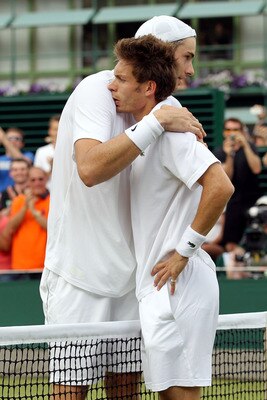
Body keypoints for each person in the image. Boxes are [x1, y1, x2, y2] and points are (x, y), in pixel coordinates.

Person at [39, 16, 206, 400]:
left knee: (125, 391)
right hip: (78, 273)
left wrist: (186, 251)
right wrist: (158, 122)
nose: (191, 69)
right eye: (186, 56)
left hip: (136, 277)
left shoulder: (168, 106)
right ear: (162, 54)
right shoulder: (98, 89)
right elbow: (91, 169)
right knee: (69, 392)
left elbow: (206, 182)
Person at [108, 34, 234, 400]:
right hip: (163, 286)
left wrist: (184, 251)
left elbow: (221, 187)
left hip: (179, 284)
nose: (111, 85)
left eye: (121, 79)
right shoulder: (150, 132)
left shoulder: (174, 136)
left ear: (148, 88)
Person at [213, 117, 262, 251]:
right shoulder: (220, 151)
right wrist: (230, 155)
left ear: (242, 131)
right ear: (224, 132)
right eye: (229, 130)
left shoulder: (250, 147)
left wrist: (245, 144)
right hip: (232, 202)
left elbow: (256, 168)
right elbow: (225, 178)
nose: (232, 133)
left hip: (252, 198)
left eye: (235, 130)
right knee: (230, 243)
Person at [6, 166, 49, 271]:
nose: (37, 183)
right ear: (28, 182)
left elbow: (54, 230)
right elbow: (10, 228)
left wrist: (34, 212)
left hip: (46, 266)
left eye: (40, 179)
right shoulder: (18, 201)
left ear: (46, 180)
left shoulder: (53, 201)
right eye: (33, 180)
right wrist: (25, 208)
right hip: (20, 265)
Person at [0, 127, 34, 192]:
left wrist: (4, 139)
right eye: (9, 138)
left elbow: (23, 162)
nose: (13, 141)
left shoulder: (28, 155)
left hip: (23, 196)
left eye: (17, 138)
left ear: (22, 143)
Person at [34, 114, 60, 189]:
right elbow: (37, 177)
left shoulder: (74, 150)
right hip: (47, 196)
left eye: (61, 129)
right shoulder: (41, 152)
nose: (58, 133)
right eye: (55, 129)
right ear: (50, 131)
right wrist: (52, 167)